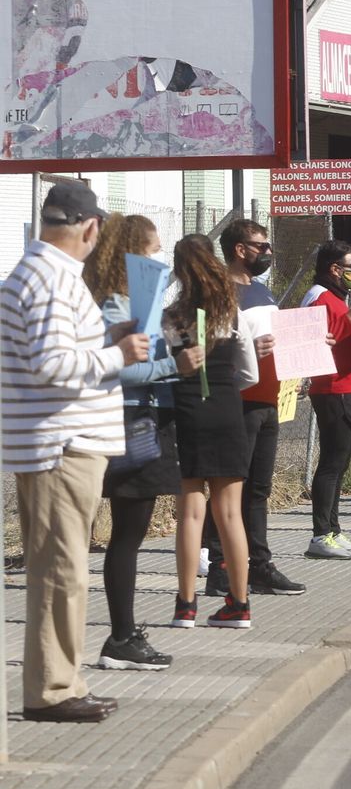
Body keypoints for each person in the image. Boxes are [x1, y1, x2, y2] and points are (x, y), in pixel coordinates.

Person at [2, 184, 148, 721]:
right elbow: (51, 364)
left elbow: (54, 353)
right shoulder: (51, 279)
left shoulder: (40, 273)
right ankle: (53, 690)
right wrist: (117, 354)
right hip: (62, 444)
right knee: (62, 571)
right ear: (90, 227)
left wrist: (106, 340)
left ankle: (59, 682)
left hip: (55, 441)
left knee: (60, 569)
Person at [84, 215, 190, 670]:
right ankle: (121, 637)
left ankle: (123, 635)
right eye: (151, 250)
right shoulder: (114, 306)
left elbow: (169, 350)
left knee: (133, 531)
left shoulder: (146, 305)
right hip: (132, 421)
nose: (158, 258)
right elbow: (123, 369)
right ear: (130, 254)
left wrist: (184, 338)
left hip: (153, 418)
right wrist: (173, 367)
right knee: (127, 534)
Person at [199, 220, 305, 598]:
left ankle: (259, 565)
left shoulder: (261, 290)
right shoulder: (218, 291)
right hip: (237, 402)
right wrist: (244, 352)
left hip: (269, 401)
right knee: (230, 488)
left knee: (258, 490)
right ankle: (220, 567)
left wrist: (306, 350)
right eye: (262, 246)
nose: (268, 253)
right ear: (240, 249)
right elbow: (204, 348)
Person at [164, 234, 258, 631]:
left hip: (188, 413)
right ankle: (239, 603)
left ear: (180, 270)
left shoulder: (173, 317)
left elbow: (165, 366)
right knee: (231, 513)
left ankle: (185, 605)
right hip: (227, 411)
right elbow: (250, 372)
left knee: (190, 511)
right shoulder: (231, 312)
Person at [304, 240, 351, 560]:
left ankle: (333, 529)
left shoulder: (335, 297)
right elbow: (312, 338)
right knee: (331, 463)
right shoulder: (318, 296)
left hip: (349, 386)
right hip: (333, 389)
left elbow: (341, 333)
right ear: (335, 269)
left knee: (341, 462)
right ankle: (320, 534)